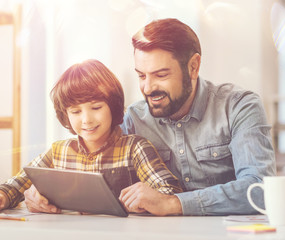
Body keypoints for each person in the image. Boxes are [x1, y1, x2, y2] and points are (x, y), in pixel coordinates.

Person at [0, 59, 182, 214]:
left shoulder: (135, 148)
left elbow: (171, 194)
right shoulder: (59, 151)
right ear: (65, 115)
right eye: (75, 112)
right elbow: (18, 183)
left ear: (112, 107)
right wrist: (0, 196)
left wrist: (148, 199)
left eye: (96, 107)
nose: (86, 119)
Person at [118, 18, 276, 216]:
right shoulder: (134, 119)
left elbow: (259, 189)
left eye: (161, 75)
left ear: (193, 66)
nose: (148, 88)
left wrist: (173, 203)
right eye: (142, 76)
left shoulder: (239, 106)